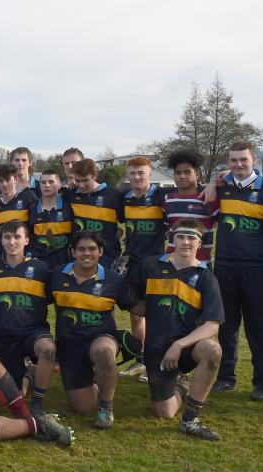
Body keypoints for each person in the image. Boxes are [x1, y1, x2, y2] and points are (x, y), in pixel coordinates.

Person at [127, 218, 225, 440]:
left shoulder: (205, 277)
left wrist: (179, 344)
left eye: (192, 238)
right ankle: (183, 384)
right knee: (165, 412)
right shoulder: (151, 266)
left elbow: (212, 324)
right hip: (157, 349)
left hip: (187, 346)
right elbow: (133, 300)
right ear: (173, 239)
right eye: (180, 237)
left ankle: (191, 419)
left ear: (200, 243)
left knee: (212, 350)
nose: (185, 242)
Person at [49, 231, 137, 429]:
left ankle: (106, 408)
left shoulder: (113, 280)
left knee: (104, 353)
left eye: (92, 249)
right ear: (73, 252)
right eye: (81, 249)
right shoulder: (56, 275)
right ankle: (100, 380)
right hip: (69, 345)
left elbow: (137, 307)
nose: (86, 253)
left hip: (101, 337)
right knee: (83, 408)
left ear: (101, 252)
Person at [211, 142, 263, 399]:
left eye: (243, 160)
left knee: (259, 326)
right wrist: (210, 184)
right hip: (225, 266)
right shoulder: (222, 187)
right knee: (227, 326)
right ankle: (226, 377)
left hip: (258, 268)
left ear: (254, 159)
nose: (238, 164)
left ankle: (262, 382)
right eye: (233, 160)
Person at [0, 221, 56, 417]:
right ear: (1, 241)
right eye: (7, 237)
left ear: (26, 240)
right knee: (14, 395)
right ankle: (29, 376)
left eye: (17, 237)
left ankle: (39, 402)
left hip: (33, 332)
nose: (12, 242)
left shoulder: (41, 269)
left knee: (48, 349)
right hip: (3, 337)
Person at [117, 156, 168, 382]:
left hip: (157, 265)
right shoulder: (124, 198)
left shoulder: (162, 196)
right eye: (133, 174)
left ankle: (157, 363)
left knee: (158, 316)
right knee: (137, 314)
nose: (137, 177)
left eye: (141, 173)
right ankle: (141, 360)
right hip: (134, 264)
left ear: (150, 174)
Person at [163, 150, 218, 263]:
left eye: (187, 172)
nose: (182, 176)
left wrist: (212, 186)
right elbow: (168, 228)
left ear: (197, 174)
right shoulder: (168, 199)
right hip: (171, 263)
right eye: (178, 173)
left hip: (200, 264)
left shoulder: (209, 197)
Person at [67, 159, 121, 268]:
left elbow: (125, 219)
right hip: (79, 257)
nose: (81, 185)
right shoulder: (70, 195)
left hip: (107, 257)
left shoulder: (113, 194)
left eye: (85, 180)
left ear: (95, 176)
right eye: (77, 181)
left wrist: (119, 230)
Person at [0, 164, 38, 258]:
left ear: (16, 180)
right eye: (0, 181)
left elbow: (35, 229)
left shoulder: (28, 197)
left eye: (8, 180)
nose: (4, 184)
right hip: (0, 256)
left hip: (25, 256)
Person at [29, 168, 73, 269]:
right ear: (39, 186)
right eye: (43, 182)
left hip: (64, 262)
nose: (47, 185)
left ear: (59, 185)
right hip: (39, 263)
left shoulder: (69, 206)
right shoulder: (32, 208)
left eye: (51, 182)